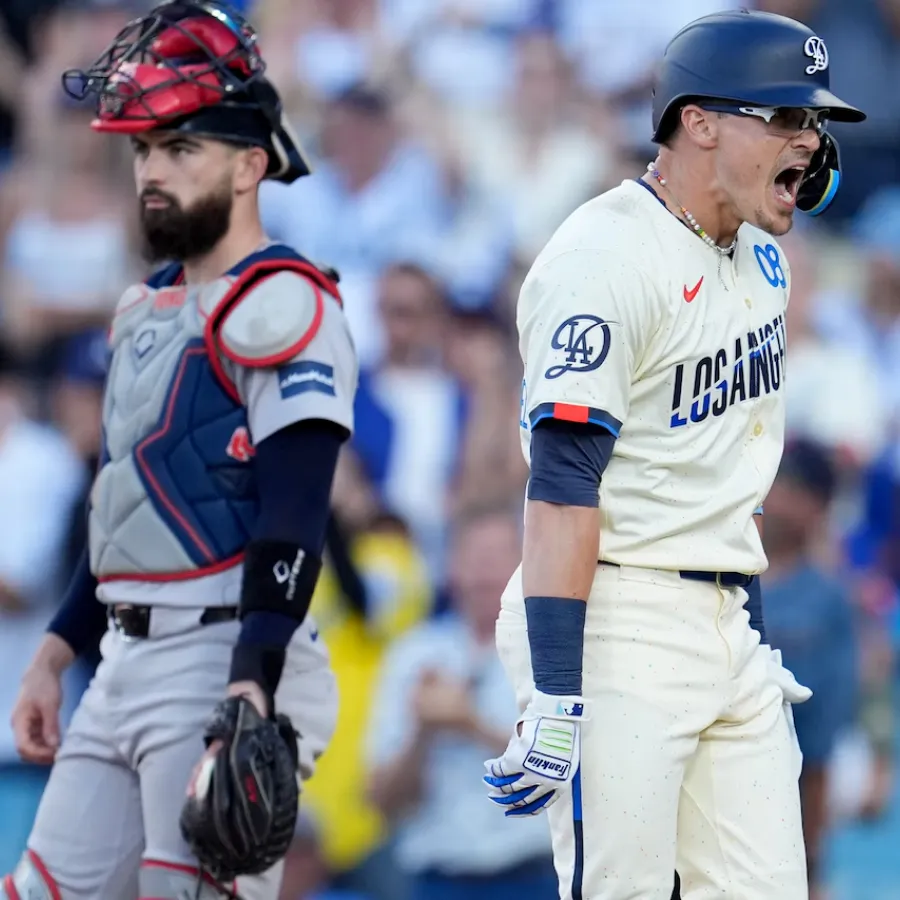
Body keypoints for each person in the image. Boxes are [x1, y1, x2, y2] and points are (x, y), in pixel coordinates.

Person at [480, 9, 866, 900]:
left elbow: (728, 480)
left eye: (812, 124)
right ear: (699, 122)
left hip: (722, 617)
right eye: (786, 118)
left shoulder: (764, 261)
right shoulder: (604, 256)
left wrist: (748, 630)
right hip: (615, 613)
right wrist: (557, 691)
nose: (809, 142)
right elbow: (563, 484)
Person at [1, 3, 357, 899]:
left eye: (181, 148)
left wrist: (253, 680)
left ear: (249, 164)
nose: (153, 172)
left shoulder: (286, 302)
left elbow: (295, 514)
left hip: (220, 651)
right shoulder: (141, 308)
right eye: (144, 151)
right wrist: (54, 648)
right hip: (119, 659)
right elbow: (127, 509)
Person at [368, 504, 557, 900]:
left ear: (522, 563)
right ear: (451, 566)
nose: (484, 571)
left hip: (534, 874)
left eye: (496, 556)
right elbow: (380, 802)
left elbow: (570, 774)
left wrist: (469, 723)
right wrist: (423, 731)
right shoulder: (412, 655)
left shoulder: (551, 652)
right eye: (474, 557)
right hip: (438, 878)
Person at [761, 440, 858, 899]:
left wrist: (811, 866)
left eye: (800, 491)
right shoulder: (710, 571)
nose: (781, 500)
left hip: (775, 815)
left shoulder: (826, 601)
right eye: (780, 483)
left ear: (819, 509)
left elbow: (818, 750)